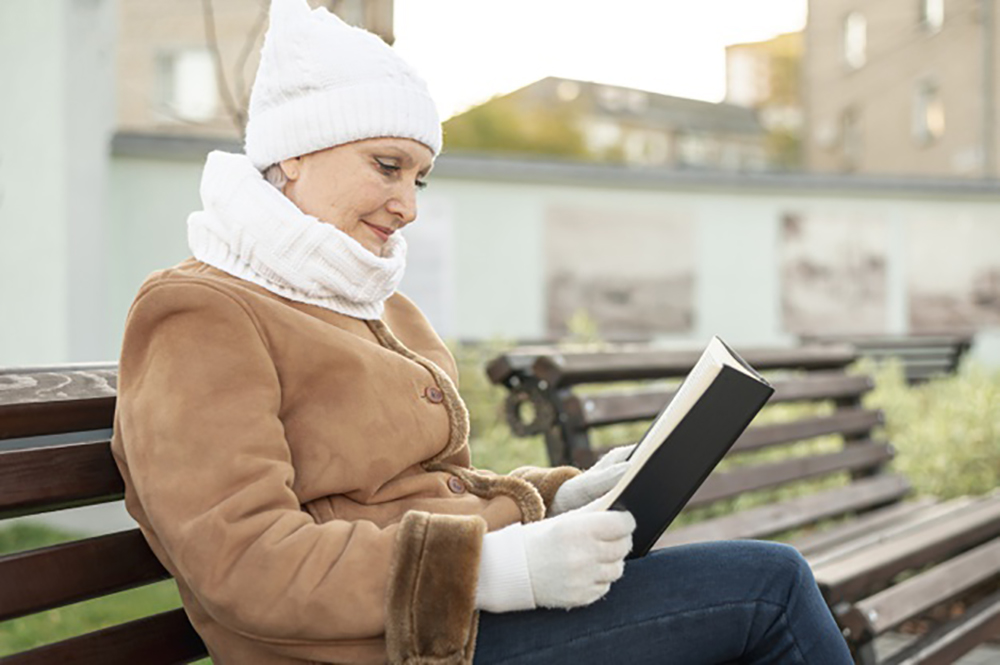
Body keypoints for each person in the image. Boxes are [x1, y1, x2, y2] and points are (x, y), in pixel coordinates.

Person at [110, 1, 856, 664]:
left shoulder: (371, 303)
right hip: (388, 645)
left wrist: (561, 499)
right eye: (387, 166)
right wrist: (497, 570)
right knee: (769, 588)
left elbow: (427, 492)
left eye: (419, 178)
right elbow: (247, 563)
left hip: (454, 624)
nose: (407, 205)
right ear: (294, 152)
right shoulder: (201, 313)